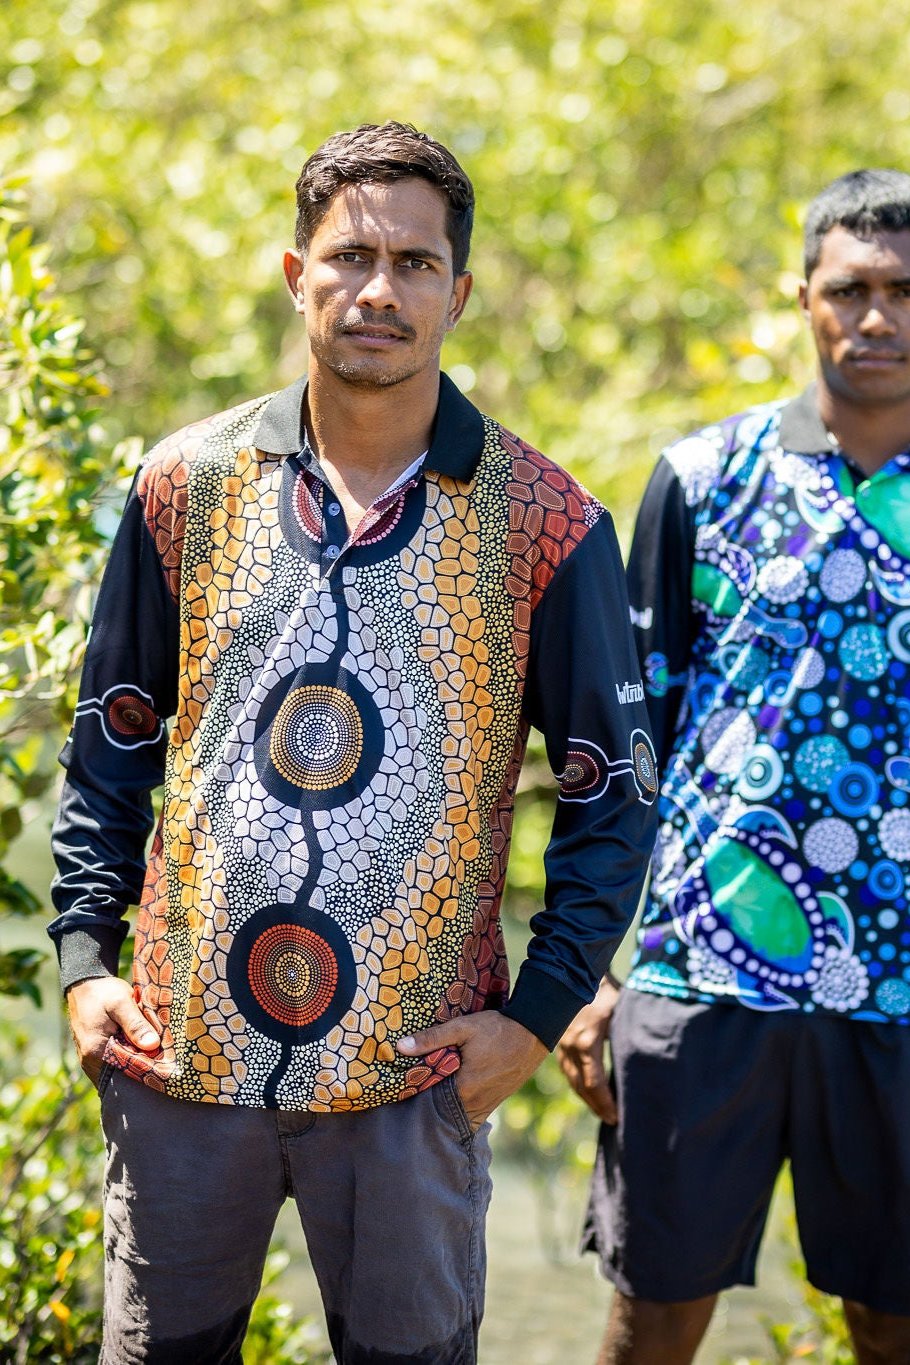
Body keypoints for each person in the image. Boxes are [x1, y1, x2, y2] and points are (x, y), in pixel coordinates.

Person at [49, 120, 658, 1364]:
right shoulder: (186, 482)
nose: (379, 289)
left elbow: (614, 794)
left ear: (460, 292)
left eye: (416, 264)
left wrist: (534, 1019)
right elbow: (111, 739)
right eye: (350, 256)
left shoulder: (549, 522)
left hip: (409, 1074)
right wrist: (80, 959)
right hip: (179, 1061)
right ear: (296, 275)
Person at [558, 167, 910, 1365]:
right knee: (653, 1310)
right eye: (850, 289)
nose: (877, 318)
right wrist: (596, 971)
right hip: (702, 972)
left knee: (893, 1316)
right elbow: (628, 738)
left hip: (901, 988)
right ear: (800, 298)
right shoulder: (702, 479)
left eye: (904, 292)